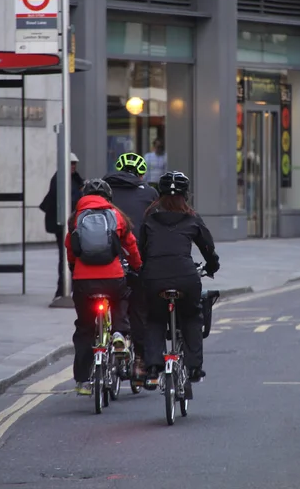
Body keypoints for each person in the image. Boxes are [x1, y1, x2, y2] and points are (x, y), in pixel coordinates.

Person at [139, 171, 220, 385]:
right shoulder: (192, 217)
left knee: (155, 319)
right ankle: (193, 368)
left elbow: (140, 250)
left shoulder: (149, 216)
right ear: (186, 194)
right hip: (186, 277)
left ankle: (153, 367)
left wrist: (142, 270)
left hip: (154, 277)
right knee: (192, 316)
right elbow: (207, 247)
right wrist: (212, 266)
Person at [65, 178, 142, 395]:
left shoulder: (76, 218)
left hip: (83, 281)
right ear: (109, 198)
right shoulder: (117, 216)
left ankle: (82, 381)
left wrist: (74, 268)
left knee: (84, 329)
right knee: (121, 298)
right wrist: (137, 266)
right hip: (112, 277)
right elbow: (130, 245)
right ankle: (119, 333)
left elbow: (70, 248)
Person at [104, 152, 158, 378]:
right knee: (139, 307)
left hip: (104, 259)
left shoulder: (104, 191)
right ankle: (140, 362)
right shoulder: (150, 193)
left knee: (114, 297)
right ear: (141, 174)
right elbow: (154, 229)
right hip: (135, 258)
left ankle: (114, 336)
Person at [39, 153, 84, 301]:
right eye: (70, 163)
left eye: (74, 164)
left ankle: (68, 288)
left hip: (72, 225)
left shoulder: (75, 178)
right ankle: (62, 290)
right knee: (65, 258)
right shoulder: (60, 179)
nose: (73, 166)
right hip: (63, 226)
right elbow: (66, 200)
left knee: (71, 257)